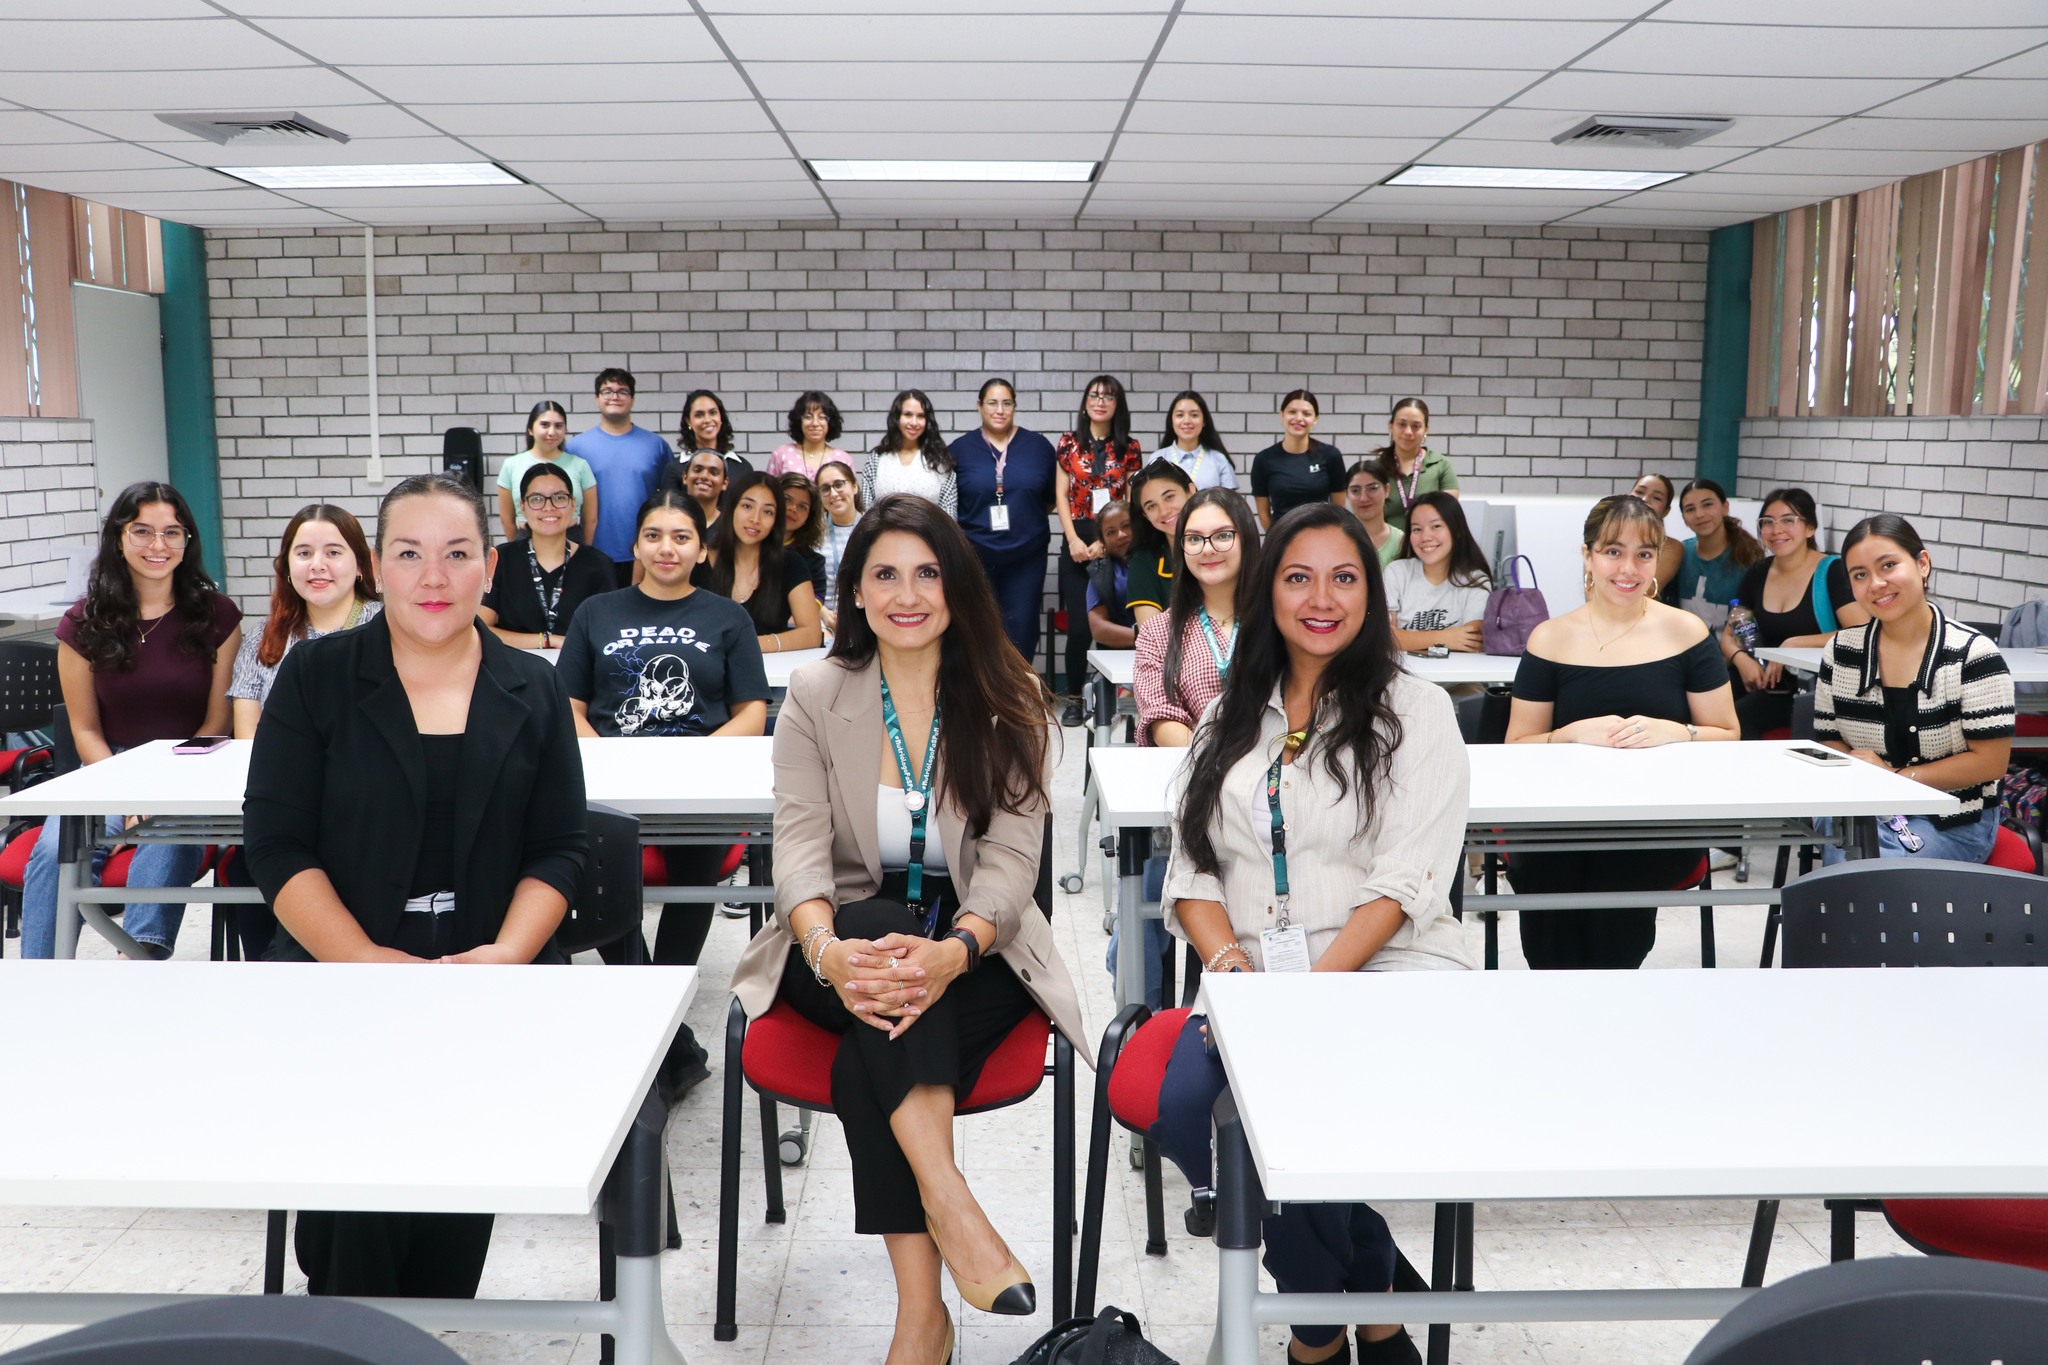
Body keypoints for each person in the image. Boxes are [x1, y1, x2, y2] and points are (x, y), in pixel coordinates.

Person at [727, 494, 1085, 1365]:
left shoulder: (1012, 695)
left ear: (958, 586)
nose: (906, 592)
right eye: (883, 574)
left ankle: (923, 1317)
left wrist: (954, 951)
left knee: (869, 1058)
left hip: (979, 948)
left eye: (927, 572)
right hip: (836, 949)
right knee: (879, 922)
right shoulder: (814, 693)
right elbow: (801, 856)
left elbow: (1010, 863)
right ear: (853, 591)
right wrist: (832, 953)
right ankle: (952, 1204)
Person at [243, 473, 586, 1298]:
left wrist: (504, 956)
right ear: (376, 567)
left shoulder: (532, 686)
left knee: (444, 1247)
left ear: (491, 565)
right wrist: (362, 960)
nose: (434, 578)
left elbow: (561, 848)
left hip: (489, 982)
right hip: (341, 981)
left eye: (457, 554)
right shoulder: (316, 678)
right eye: (409, 554)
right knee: (353, 1226)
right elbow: (278, 844)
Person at [1157, 501, 1470, 1365]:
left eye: (1345, 576)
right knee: (1187, 1111)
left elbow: (1406, 881)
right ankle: (1360, 1286)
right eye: (1298, 577)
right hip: (1252, 971)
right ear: (1268, 592)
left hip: (1390, 963)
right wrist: (1231, 968)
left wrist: (1307, 999)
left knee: (1305, 1107)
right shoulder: (1232, 712)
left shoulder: (1419, 711)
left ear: (1371, 592)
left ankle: (1314, 1327)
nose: (1321, 597)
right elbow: (1191, 874)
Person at [559, 489, 769, 1093]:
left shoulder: (727, 617)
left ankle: (651, 1016)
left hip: (697, 788)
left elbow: (751, 713)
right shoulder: (596, 613)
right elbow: (569, 707)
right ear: (635, 546)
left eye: (681, 537)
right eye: (654, 535)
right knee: (594, 858)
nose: (667, 548)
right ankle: (667, 1027)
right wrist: (610, 759)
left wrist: (692, 765)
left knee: (696, 860)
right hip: (611, 786)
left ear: (702, 550)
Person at [1505, 495, 1738, 970]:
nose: (1628, 568)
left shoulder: (1686, 632)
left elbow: (1728, 732)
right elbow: (1517, 745)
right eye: (1613, 551)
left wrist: (1675, 731)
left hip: (1647, 820)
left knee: (1615, 936)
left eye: (1643, 554)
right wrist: (1569, 734)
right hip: (1558, 819)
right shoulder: (1549, 637)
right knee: (1551, 940)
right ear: (1588, 556)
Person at [20, 482, 242, 961]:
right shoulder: (83, 622)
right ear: (118, 538)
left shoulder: (218, 616)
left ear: (188, 541)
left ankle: (137, 962)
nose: (158, 546)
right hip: (109, 767)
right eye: (142, 531)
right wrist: (128, 793)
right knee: (53, 850)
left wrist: (164, 787)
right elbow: (84, 730)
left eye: (172, 533)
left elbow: (218, 719)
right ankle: (39, 981)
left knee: (168, 834)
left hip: (191, 764)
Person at [1812, 514, 2013, 863]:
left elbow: (1991, 762)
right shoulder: (1842, 650)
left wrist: (1895, 778)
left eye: (1888, 565)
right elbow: (1830, 739)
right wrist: (1869, 781)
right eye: (1860, 575)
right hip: (1864, 808)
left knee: (1877, 875)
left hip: (1954, 818)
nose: (1876, 584)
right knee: (1856, 861)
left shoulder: (1973, 654)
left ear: (1922, 564)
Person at [1723, 487, 1869, 740]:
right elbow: (1729, 635)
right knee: (1701, 700)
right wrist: (1741, 660)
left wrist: (1792, 645)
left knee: (1740, 716)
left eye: (1788, 520)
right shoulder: (1758, 571)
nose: (1776, 529)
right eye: (1767, 522)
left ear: (1810, 528)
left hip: (1812, 687)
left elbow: (1860, 633)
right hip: (1760, 680)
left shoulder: (1832, 570)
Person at [230, 504, 381, 737]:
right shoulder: (261, 638)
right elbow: (248, 740)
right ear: (287, 567)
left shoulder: (388, 627)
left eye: (333, 553)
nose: (317, 565)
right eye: (304, 553)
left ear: (360, 565)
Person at [1055, 375, 1145, 723]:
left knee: (1114, 618)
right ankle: (1076, 698)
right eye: (1094, 395)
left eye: (1108, 396)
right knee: (1079, 627)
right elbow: (1061, 496)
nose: (1100, 401)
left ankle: (1111, 697)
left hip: (1116, 538)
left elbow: (1130, 499)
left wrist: (1106, 542)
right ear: (1085, 402)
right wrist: (1074, 540)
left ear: (1117, 405)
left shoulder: (1130, 447)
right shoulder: (1067, 444)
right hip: (1076, 537)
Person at [951, 378, 1058, 665]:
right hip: (975, 557)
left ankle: (1019, 697)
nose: (1000, 409)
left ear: (1014, 406)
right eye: (992, 403)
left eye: (1006, 403)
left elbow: (1050, 498)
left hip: (1026, 556)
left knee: (1021, 628)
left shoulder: (1038, 447)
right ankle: (982, 698)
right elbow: (953, 501)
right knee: (977, 628)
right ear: (979, 406)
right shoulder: (960, 450)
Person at [479, 463, 618, 652]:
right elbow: (481, 629)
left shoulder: (598, 564)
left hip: (577, 671)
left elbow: (607, 634)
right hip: (513, 673)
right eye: (536, 499)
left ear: (573, 504)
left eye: (559, 498)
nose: (549, 507)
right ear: (522, 507)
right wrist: (547, 640)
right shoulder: (502, 559)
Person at [566, 368, 669, 588]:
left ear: (632, 399)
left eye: (622, 391)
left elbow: (670, 499)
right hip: (593, 552)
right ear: (596, 399)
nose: (615, 396)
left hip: (645, 553)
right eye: (607, 391)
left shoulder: (656, 446)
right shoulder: (576, 447)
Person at [706, 470, 824, 654]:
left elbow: (812, 634)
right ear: (731, 508)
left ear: (776, 520)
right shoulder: (699, 559)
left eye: (767, 511)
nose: (755, 519)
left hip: (768, 675)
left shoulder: (791, 564)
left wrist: (749, 644)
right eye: (747, 506)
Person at [1384, 492, 1492, 655]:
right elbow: (1386, 639)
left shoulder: (1476, 580)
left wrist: (1407, 639)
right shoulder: (1397, 572)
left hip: (1458, 678)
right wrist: (1446, 637)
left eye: (1436, 526)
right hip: (1405, 677)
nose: (1426, 537)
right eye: (1417, 529)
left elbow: (1472, 642)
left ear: (1457, 530)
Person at [1655, 477, 1764, 633]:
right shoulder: (1678, 553)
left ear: (1725, 507)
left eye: (1707, 505)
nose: (1699, 514)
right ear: (1684, 519)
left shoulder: (1749, 557)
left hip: (1732, 653)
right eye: (1690, 509)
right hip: (1685, 652)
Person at [497, 400, 597, 545]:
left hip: (571, 539)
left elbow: (590, 520)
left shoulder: (580, 465)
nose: (552, 432)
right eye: (544, 425)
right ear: (530, 429)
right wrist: (516, 549)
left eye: (558, 426)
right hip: (526, 539)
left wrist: (585, 551)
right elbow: (507, 520)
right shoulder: (511, 465)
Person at [1249, 389, 1345, 529]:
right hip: (1282, 538)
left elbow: (1339, 509)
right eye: (1292, 412)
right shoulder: (1264, 460)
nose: (1299, 418)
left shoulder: (1331, 455)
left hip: (1320, 537)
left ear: (1315, 419)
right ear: (1282, 415)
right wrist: (1277, 538)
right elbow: (1263, 514)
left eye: (1306, 414)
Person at [857, 388, 958, 517]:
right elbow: (867, 511)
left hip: (929, 536)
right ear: (897, 418)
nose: (914, 422)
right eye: (908, 415)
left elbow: (949, 518)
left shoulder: (940, 462)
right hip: (885, 536)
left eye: (920, 416)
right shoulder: (877, 459)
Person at [1124, 458, 1195, 626]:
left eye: (1169, 497)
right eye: (1151, 506)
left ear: (1191, 491)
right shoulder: (1144, 561)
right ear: (1145, 516)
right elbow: (1152, 634)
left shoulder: (1224, 547)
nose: (1163, 511)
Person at [1372, 397, 1458, 533]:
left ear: (1426, 430)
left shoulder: (1441, 465)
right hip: (1386, 548)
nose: (1408, 432)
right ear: (1391, 426)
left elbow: (1448, 516)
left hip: (1429, 545)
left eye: (1416, 426)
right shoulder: (1376, 469)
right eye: (1402, 424)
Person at [657, 389, 741, 509]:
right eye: (699, 415)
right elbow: (667, 513)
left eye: (713, 413)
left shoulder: (742, 467)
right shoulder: (674, 469)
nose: (707, 420)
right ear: (688, 421)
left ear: (721, 417)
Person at [1151, 390, 1238, 490]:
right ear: (1171, 421)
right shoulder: (1157, 459)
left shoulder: (1219, 460)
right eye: (1180, 415)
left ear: (1204, 421)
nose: (1187, 421)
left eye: (1194, 415)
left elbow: (1231, 503)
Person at [815, 458, 865, 634]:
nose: (834, 493)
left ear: (854, 486)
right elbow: (805, 584)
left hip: (866, 617)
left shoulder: (874, 529)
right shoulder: (813, 535)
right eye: (825, 489)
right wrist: (823, 613)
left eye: (839, 484)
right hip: (824, 621)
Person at [1084, 501, 1136, 649]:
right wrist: (1145, 638)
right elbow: (1099, 630)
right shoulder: (1100, 573)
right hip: (1120, 658)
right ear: (1103, 542)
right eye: (1111, 532)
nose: (1121, 535)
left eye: (1126, 525)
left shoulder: (1164, 561)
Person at [767, 390, 849, 479]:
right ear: (799, 421)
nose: (815, 423)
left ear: (830, 422)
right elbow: (770, 490)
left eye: (822, 417)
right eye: (808, 417)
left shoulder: (842, 459)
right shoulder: (781, 454)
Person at [780, 470, 831, 607]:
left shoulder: (813, 563)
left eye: (802, 506)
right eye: (786, 500)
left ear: (809, 517)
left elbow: (809, 614)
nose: (792, 509)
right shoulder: (747, 546)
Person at [1346, 456, 1404, 568]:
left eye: (1372, 488)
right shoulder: (1337, 538)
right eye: (1355, 491)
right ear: (1347, 494)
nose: (1364, 498)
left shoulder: (1401, 542)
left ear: (1387, 490)